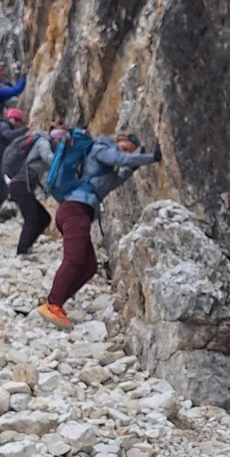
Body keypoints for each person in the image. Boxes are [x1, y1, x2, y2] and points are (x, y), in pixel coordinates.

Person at [39, 129, 161, 327]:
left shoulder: (107, 170)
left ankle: (56, 301)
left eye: (130, 151)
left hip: (80, 213)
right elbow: (119, 159)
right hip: (75, 210)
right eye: (125, 148)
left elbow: (119, 177)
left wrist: (136, 163)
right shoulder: (100, 149)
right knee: (74, 259)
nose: (126, 154)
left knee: (89, 266)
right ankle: (52, 305)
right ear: (117, 141)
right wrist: (150, 157)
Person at [5, 122, 61, 256]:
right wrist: (65, 162)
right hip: (21, 185)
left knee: (44, 218)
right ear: (55, 138)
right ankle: (22, 251)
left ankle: (27, 246)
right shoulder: (43, 142)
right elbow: (49, 158)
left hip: (22, 185)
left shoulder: (43, 143)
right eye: (60, 140)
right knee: (31, 218)